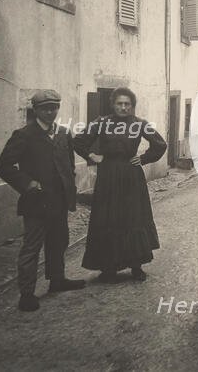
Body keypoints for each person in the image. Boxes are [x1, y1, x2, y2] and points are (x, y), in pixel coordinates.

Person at [0, 90, 85, 312]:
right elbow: (4, 166)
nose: (51, 112)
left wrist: (69, 184)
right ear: (35, 110)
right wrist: (28, 184)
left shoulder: (64, 134)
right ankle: (26, 294)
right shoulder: (24, 135)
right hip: (36, 203)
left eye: (54, 107)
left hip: (59, 201)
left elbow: (69, 164)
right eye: (45, 108)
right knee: (32, 247)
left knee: (59, 241)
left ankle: (57, 280)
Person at [74, 87, 166, 282]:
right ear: (113, 104)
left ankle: (136, 266)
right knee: (108, 219)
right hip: (108, 176)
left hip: (131, 176)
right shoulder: (102, 122)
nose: (123, 107)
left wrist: (143, 158)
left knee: (133, 218)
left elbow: (160, 144)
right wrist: (92, 155)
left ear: (132, 106)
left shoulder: (139, 124)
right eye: (119, 103)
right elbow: (79, 141)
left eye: (127, 104)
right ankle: (109, 267)